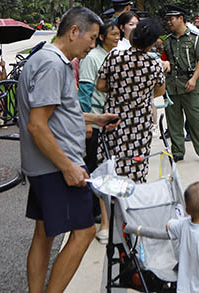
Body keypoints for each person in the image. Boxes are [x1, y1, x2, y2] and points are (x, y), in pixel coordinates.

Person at [17, 7, 118, 293]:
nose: (93, 44)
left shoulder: (46, 60)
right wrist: (67, 166)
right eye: (93, 37)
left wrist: (95, 118)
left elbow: (56, 111)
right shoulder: (52, 64)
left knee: (43, 234)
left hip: (43, 166)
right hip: (56, 167)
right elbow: (38, 125)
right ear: (74, 31)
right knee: (85, 232)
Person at [96, 18, 166, 185]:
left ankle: (110, 204)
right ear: (151, 44)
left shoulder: (114, 56)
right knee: (136, 166)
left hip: (114, 120)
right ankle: (132, 206)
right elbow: (160, 91)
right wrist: (141, 94)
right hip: (139, 125)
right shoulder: (154, 64)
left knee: (110, 165)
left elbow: (100, 85)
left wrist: (118, 92)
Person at [78, 20, 120, 244]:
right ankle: (91, 210)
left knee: (104, 166)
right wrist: (86, 122)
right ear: (102, 36)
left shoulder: (114, 56)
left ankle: (99, 207)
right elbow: (84, 92)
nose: (116, 37)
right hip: (93, 120)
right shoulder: (93, 58)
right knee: (92, 165)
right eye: (112, 34)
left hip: (107, 121)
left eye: (118, 34)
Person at [163, 4, 199, 164]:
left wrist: (193, 79)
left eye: (171, 19)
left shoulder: (194, 38)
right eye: (167, 20)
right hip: (172, 84)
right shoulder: (168, 41)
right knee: (173, 120)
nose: (169, 23)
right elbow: (165, 60)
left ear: (181, 19)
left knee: (195, 119)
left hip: (190, 85)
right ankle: (177, 152)